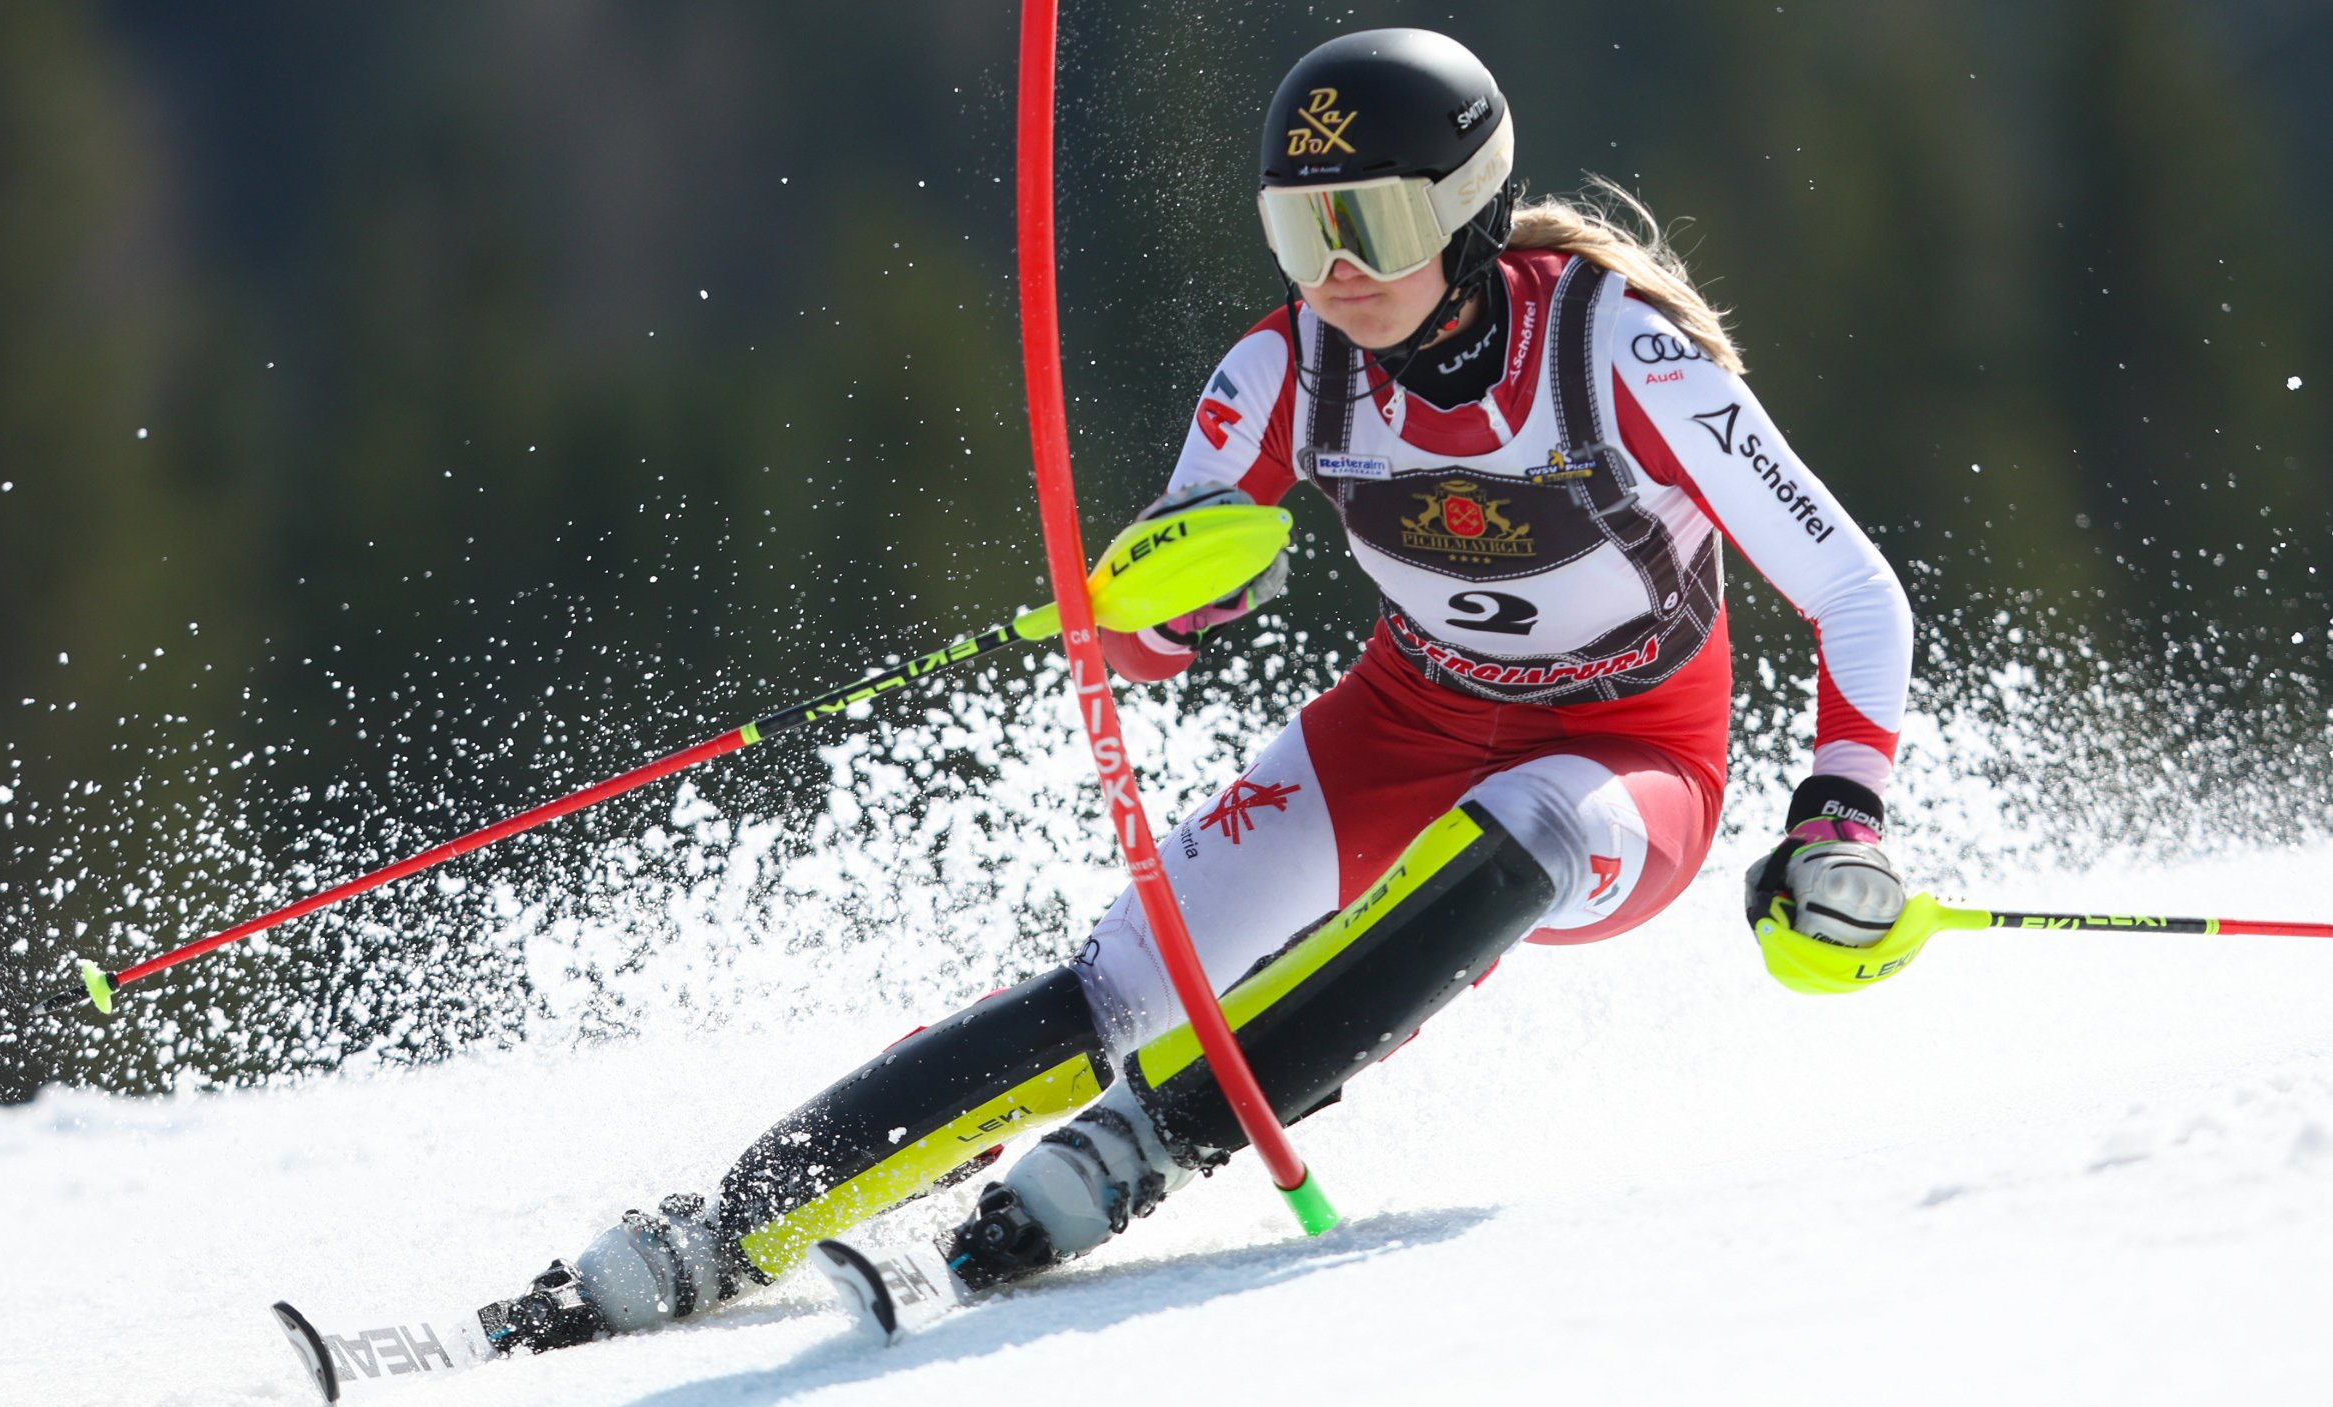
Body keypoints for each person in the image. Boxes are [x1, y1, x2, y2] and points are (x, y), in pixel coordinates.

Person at [477, 26, 1915, 1352]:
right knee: (1128, 975)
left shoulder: (1620, 354)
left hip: (1634, 756)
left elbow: (1855, 592)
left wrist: (1841, 813)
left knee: (1525, 828)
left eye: (1372, 226)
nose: (1335, 271)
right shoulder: (1283, 370)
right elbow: (1151, 625)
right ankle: (726, 1229)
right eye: (1300, 230)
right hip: (1405, 722)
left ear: (1469, 212)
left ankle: (1145, 1143)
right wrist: (1152, 617)